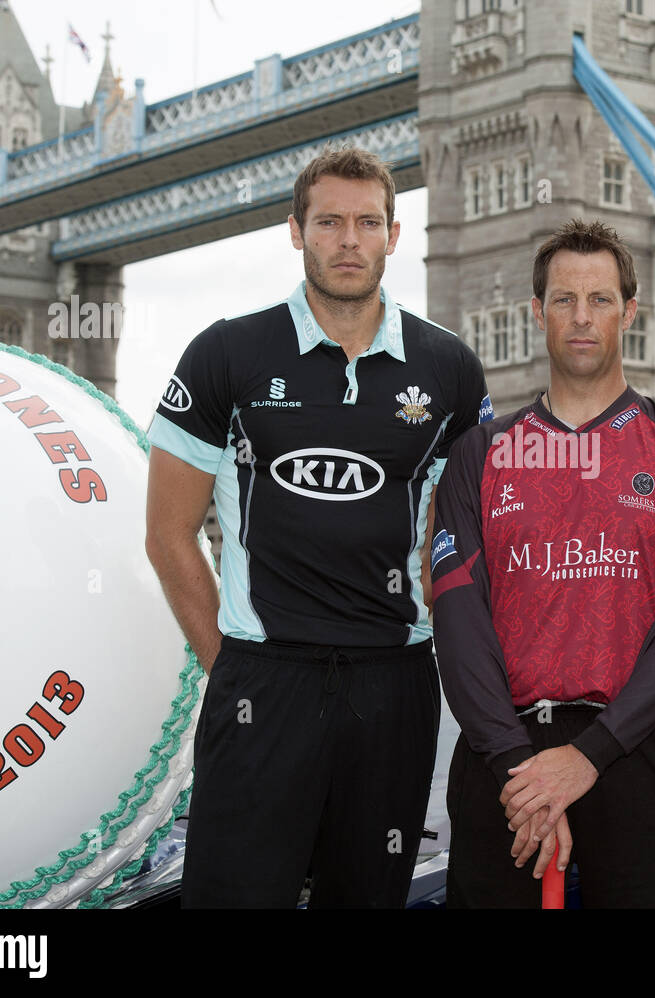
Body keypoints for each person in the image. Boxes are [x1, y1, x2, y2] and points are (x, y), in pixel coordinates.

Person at [144, 147, 490, 908]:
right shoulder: (225, 353)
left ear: (394, 236)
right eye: (328, 221)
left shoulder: (450, 369)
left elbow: (462, 535)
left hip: (394, 685)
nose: (348, 240)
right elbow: (168, 535)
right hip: (264, 682)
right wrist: (231, 665)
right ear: (295, 231)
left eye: (368, 223)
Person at [430, 219, 655, 908]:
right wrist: (522, 770)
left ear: (630, 311)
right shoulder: (480, 455)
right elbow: (458, 623)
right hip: (502, 762)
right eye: (564, 300)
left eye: (600, 300)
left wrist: (586, 757)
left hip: (640, 749)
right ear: (536, 312)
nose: (581, 318)